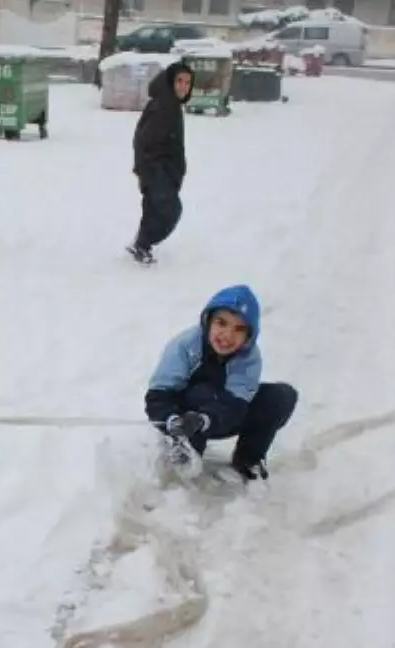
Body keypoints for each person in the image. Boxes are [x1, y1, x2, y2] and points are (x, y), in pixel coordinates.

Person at [144, 284, 297, 481]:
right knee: (201, 392)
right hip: (184, 419)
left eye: (239, 329)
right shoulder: (184, 346)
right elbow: (159, 394)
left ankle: (248, 460)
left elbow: (236, 403)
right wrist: (172, 420)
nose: (227, 335)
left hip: (221, 417)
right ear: (208, 321)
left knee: (280, 396)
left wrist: (205, 419)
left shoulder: (249, 358)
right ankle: (185, 454)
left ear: (249, 335)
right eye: (221, 323)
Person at [127, 61, 194, 265]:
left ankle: (141, 246)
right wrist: (151, 171)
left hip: (162, 170)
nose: (183, 86)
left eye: (188, 83)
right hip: (157, 170)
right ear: (170, 82)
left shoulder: (170, 104)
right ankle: (142, 243)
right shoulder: (163, 106)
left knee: (153, 210)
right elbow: (143, 140)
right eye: (179, 81)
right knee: (170, 211)